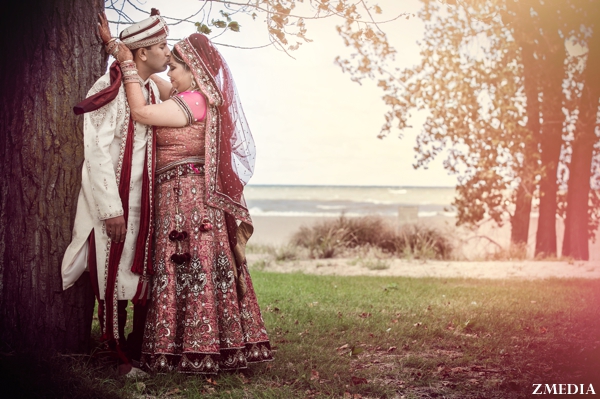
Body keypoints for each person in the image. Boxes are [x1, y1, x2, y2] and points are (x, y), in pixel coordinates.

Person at [101, 21, 273, 374]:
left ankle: (196, 349)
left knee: (189, 269)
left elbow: (143, 111)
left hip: (187, 201)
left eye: (176, 67)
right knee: (182, 272)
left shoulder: (195, 101)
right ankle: (186, 348)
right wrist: (121, 53)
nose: (170, 73)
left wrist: (128, 62)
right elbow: (151, 82)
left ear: (193, 72)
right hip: (178, 197)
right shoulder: (188, 96)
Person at [61, 9, 170, 375]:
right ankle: (110, 351)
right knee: (109, 270)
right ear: (142, 53)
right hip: (116, 198)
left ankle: (139, 349)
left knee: (140, 274)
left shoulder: (152, 89)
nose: (167, 53)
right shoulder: (104, 88)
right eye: (161, 46)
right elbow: (95, 151)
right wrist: (111, 208)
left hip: (146, 201)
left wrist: (116, 46)